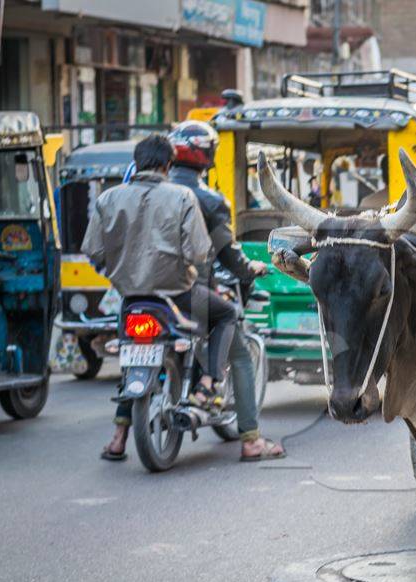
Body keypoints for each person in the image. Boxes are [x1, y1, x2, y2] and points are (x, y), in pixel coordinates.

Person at [83, 134, 237, 459]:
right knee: (226, 315)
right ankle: (209, 383)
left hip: (131, 300)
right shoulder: (182, 197)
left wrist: (118, 270)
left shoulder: (108, 199)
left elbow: (93, 252)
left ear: (136, 163)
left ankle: (118, 439)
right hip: (178, 296)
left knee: (132, 359)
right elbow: (197, 251)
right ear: (168, 164)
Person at [167, 120, 285, 460]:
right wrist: (250, 269)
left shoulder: (148, 192)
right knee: (237, 343)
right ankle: (250, 439)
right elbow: (227, 253)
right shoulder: (206, 199)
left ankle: (119, 430)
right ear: (207, 156)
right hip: (188, 292)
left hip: (138, 292)